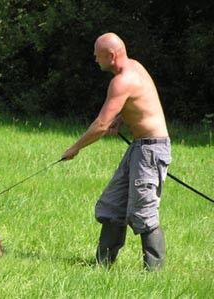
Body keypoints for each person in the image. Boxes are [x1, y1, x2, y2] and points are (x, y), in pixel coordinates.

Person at [62, 32, 171, 271]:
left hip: (151, 151)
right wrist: (122, 118)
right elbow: (140, 102)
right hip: (139, 147)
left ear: (111, 55)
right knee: (112, 205)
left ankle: (153, 274)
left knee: (143, 212)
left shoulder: (122, 80)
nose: (94, 59)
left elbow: (100, 125)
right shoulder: (133, 68)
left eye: (96, 54)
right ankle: (103, 266)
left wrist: (75, 148)